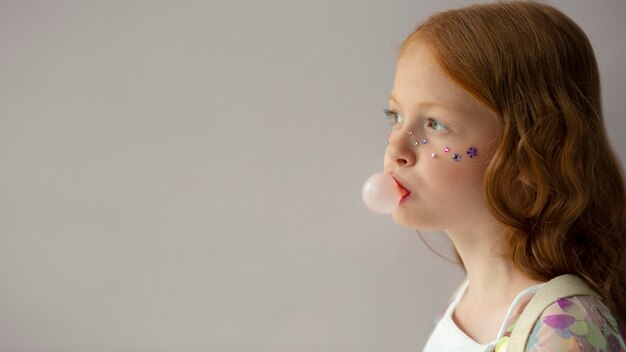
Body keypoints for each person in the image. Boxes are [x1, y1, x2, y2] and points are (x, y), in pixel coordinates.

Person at [382, 1, 626, 351]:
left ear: (530, 153)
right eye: (395, 116)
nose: (397, 148)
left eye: (435, 124)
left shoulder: (563, 330)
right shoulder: (462, 305)